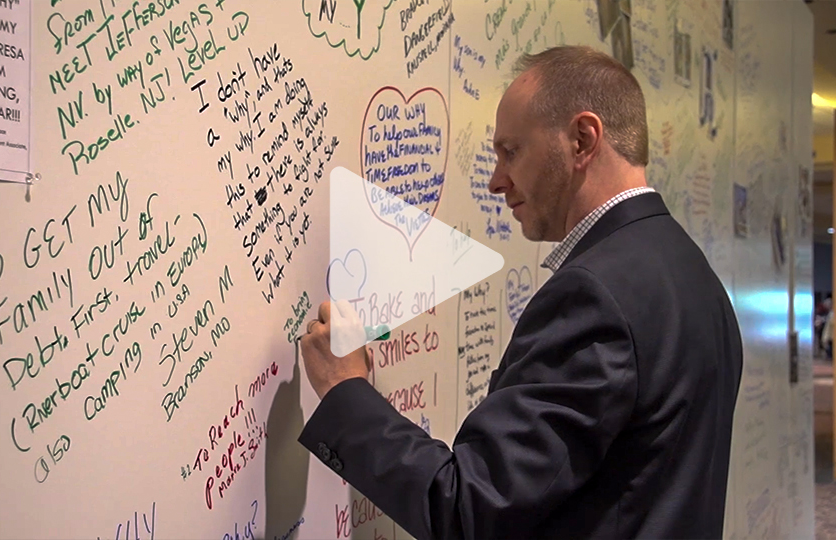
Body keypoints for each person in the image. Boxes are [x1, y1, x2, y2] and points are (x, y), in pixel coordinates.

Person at [298, 45, 743, 539]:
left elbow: (468, 508)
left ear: (582, 139)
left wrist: (344, 390)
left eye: (511, 152)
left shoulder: (595, 297)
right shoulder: (693, 273)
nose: (496, 181)